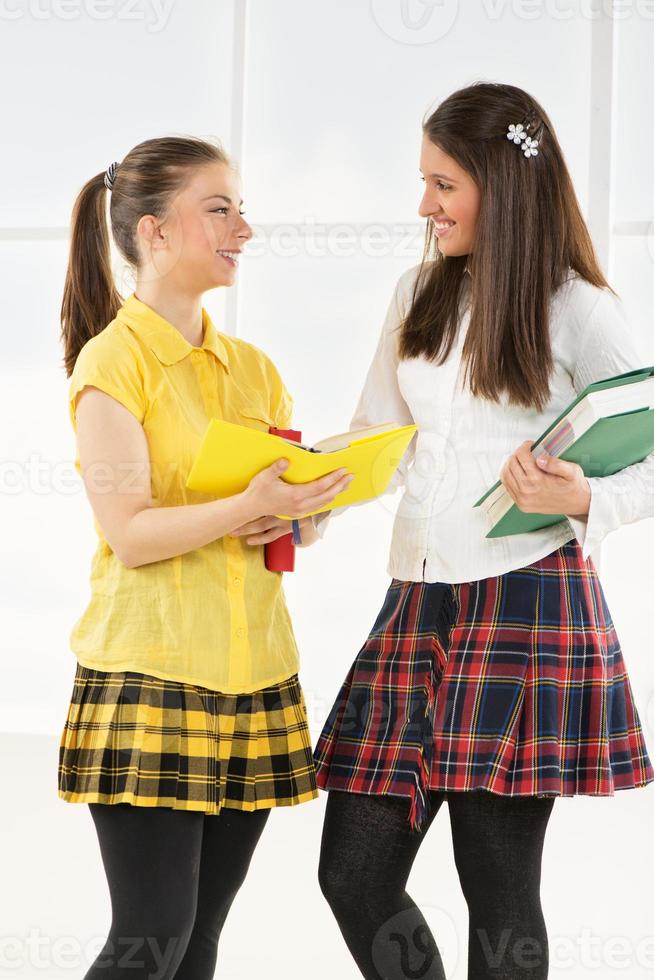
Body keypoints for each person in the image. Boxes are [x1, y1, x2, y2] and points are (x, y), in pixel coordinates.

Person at [305, 82, 654, 980]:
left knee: (496, 889)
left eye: (443, 184)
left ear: (502, 185)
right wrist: (298, 495)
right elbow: (376, 435)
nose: (424, 206)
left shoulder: (578, 307)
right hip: (416, 601)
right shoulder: (415, 290)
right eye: (424, 182)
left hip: (528, 600)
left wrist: (585, 499)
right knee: (353, 871)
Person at [57, 135, 353, 979]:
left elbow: (265, 525)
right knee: (150, 942)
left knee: (197, 946)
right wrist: (250, 504)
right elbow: (130, 532)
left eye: (241, 208)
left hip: (252, 677)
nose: (243, 227)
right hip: (149, 678)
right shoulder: (112, 362)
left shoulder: (254, 372)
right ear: (153, 233)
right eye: (219, 208)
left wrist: (304, 511)